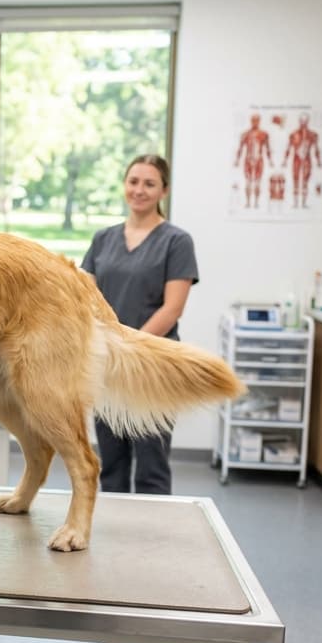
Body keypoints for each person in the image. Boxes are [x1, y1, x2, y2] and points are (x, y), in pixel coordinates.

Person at [80, 154, 198, 495]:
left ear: (164, 191)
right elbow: (86, 294)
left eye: (149, 184)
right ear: (124, 186)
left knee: (152, 462)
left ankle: (154, 540)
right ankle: (107, 538)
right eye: (133, 182)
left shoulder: (177, 241)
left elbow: (172, 308)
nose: (139, 190)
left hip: (153, 363)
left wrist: (131, 347)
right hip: (108, 363)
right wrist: (110, 348)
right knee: (111, 460)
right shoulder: (103, 239)